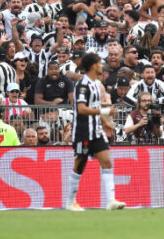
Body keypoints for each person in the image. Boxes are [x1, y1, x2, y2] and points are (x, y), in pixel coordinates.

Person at [66, 53, 125, 211]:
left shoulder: (96, 85)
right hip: (83, 131)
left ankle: (111, 200)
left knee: (107, 161)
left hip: (97, 131)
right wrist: (105, 113)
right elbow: (82, 109)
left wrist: (106, 123)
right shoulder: (82, 85)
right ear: (93, 66)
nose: (102, 66)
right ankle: (70, 202)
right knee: (80, 164)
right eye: (99, 63)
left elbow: (96, 107)